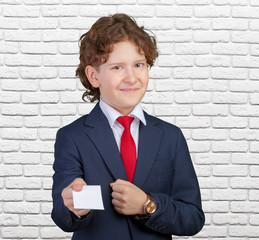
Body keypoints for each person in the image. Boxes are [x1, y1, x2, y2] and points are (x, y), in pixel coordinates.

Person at [51, 13, 205, 240]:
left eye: (138, 65)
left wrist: (147, 204)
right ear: (94, 76)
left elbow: (192, 217)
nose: (131, 77)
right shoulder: (72, 137)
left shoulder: (171, 136)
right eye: (117, 68)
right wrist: (74, 205)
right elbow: (62, 215)